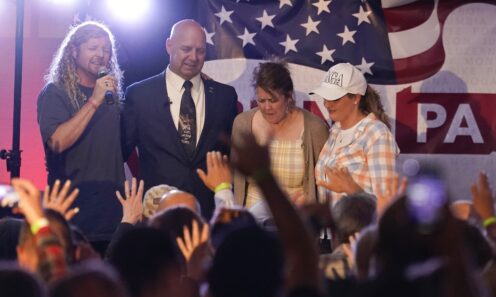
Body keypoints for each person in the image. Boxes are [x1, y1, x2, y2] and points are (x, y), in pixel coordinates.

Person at [122, 19, 238, 218]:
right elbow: (120, 153)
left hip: (209, 213)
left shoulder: (225, 96)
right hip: (155, 212)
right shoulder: (139, 95)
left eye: (200, 51)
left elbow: (232, 154)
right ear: (169, 46)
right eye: (186, 49)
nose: (193, 57)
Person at [37, 21, 124, 246]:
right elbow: (57, 141)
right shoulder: (55, 92)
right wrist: (94, 101)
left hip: (111, 212)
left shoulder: (111, 96)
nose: (101, 55)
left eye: (106, 50)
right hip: (73, 212)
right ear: (74, 51)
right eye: (93, 48)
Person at [231, 61, 328, 210]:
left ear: (288, 97)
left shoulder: (315, 128)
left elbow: (324, 184)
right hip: (251, 223)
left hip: (295, 220)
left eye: (273, 100)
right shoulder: (242, 124)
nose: (266, 107)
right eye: (261, 100)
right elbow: (236, 177)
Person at [310, 62, 399, 205]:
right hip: (331, 226)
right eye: (325, 96)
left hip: (360, 227)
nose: (327, 104)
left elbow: (387, 203)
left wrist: (352, 189)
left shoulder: (377, 135)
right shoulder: (335, 131)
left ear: (356, 98)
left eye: (335, 98)